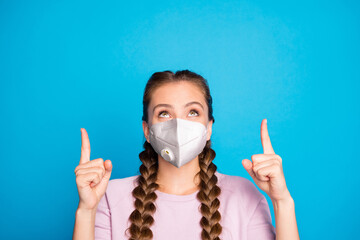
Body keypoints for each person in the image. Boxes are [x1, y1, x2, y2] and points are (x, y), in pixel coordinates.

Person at [73, 70, 300, 240]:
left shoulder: (244, 196)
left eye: (192, 112)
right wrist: (86, 210)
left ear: (208, 126)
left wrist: (282, 201)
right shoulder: (110, 197)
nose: (178, 124)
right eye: (164, 113)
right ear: (147, 130)